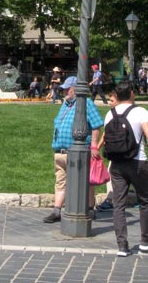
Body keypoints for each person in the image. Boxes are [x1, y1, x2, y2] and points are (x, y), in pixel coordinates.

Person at [99, 81, 148, 255]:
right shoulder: (140, 112)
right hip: (137, 161)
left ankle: (122, 245)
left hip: (117, 164)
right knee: (144, 201)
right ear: (132, 94)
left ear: (117, 96)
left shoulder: (109, 114)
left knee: (118, 204)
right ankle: (146, 239)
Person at [43, 76, 103, 223]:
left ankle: (89, 208)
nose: (64, 92)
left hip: (77, 152)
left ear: (75, 89)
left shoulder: (86, 104)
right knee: (60, 181)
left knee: (86, 181)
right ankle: (57, 210)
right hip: (61, 152)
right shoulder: (66, 104)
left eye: (66, 89)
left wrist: (94, 145)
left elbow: (96, 125)